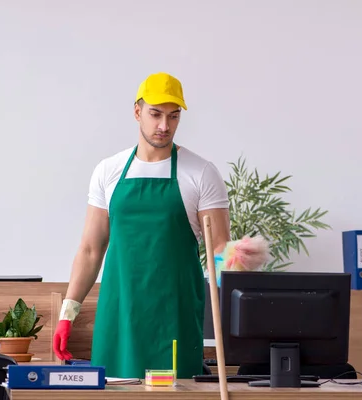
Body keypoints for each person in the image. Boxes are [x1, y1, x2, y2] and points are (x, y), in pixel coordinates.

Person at [52, 72, 231, 379]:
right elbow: (91, 249)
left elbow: (221, 252)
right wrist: (68, 314)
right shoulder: (108, 171)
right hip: (119, 314)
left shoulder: (201, 173)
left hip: (175, 318)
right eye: (155, 114)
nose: (164, 126)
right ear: (137, 112)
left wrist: (232, 309)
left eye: (173, 117)